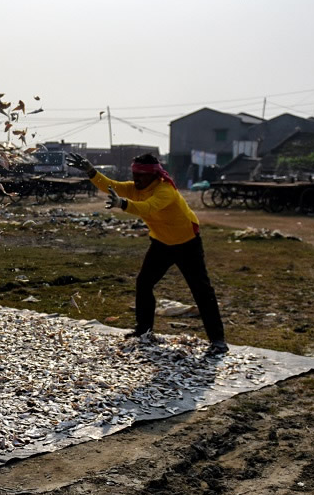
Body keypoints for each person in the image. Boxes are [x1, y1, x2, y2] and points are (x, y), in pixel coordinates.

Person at [65, 151, 228, 354]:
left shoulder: (165, 190)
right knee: (144, 283)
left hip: (187, 244)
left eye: (141, 175)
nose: (136, 179)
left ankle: (218, 340)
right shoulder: (136, 188)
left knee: (201, 291)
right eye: (135, 174)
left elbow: (147, 208)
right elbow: (111, 185)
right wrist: (91, 171)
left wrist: (122, 204)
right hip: (161, 243)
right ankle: (144, 330)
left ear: (153, 175)